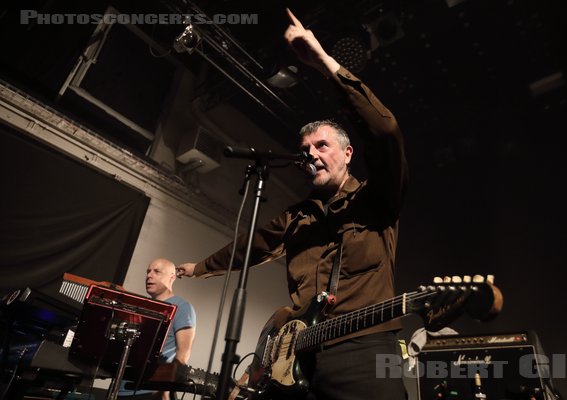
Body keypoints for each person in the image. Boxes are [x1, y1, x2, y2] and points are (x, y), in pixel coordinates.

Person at [178, 9, 407, 400]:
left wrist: (322, 61)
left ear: (348, 153)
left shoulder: (377, 198)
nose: (312, 154)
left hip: (363, 351)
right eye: (305, 150)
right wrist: (198, 268)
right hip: (295, 357)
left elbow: (385, 130)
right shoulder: (297, 216)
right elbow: (249, 248)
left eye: (322, 145)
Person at [119, 258, 197, 400]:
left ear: (172, 277)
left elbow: (183, 353)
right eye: (148, 271)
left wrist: (165, 390)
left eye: (157, 271)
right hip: (123, 389)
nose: (149, 275)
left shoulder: (182, 307)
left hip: (151, 392)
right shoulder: (142, 307)